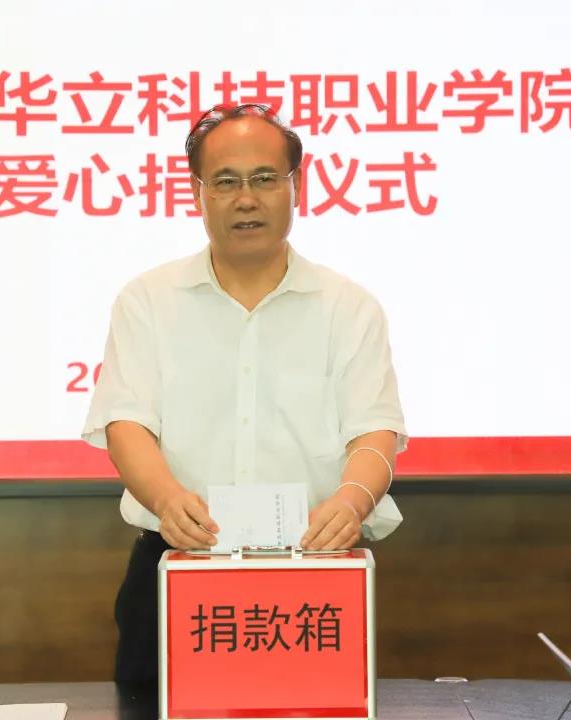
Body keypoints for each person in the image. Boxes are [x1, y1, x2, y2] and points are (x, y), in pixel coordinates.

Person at [82, 103, 407, 685]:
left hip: (314, 574)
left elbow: (375, 430)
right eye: (226, 182)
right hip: (176, 564)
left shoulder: (349, 307)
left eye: (264, 179)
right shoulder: (148, 301)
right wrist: (166, 499)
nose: (246, 198)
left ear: (297, 186)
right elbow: (125, 423)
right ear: (197, 192)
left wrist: (352, 501)